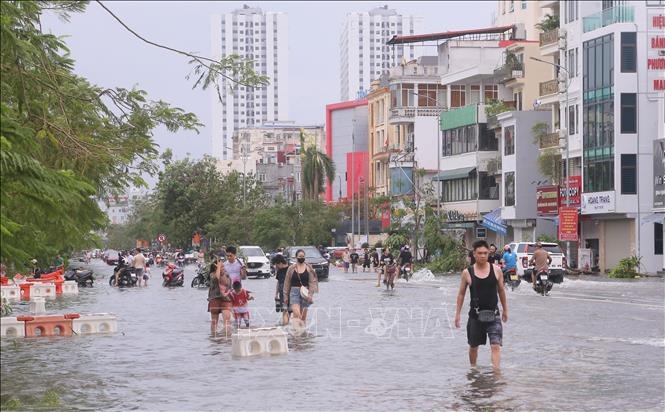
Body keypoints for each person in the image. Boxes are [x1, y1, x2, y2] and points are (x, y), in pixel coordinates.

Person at [454, 240, 508, 370]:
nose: (483, 256)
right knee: (473, 346)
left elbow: (501, 290)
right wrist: (457, 314)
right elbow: (461, 293)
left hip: (493, 314)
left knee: (495, 345)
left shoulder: (496, 271)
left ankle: (496, 373)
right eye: (480, 253)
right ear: (474, 254)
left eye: (485, 253)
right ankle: (473, 370)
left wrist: (505, 310)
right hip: (475, 316)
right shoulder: (467, 272)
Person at [283, 249, 319, 329]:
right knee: (296, 313)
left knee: (303, 317)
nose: (301, 258)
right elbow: (287, 282)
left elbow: (311, 283)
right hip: (294, 292)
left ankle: (301, 336)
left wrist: (310, 295)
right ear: (296, 257)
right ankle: (297, 332)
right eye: (300, 256)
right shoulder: (291, 268)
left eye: (303, 256)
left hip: (305, 293)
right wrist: (285, 296)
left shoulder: (309, 268)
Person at [208, 257, 233, 336]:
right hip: (215, 299)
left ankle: (227, 337)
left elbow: (229, 287)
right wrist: (218, 268)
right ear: (215, 267)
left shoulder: (227, 275)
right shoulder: (212, 275)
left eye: (222, 266)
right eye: (221, 266)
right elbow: (216, 278)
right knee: (214, 321)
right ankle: (214, 336)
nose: (223, 268)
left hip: (226, 299)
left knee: (227, 319)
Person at [272, 254, 291, 326]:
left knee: (289, 311)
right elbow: (278, 282)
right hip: (281, 293)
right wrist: (276, 294)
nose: (276, 267)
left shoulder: (290, 269)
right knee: (284, 310)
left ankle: (285, 326)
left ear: (280, 263)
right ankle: (286, 326)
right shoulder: (279, 271)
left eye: (276, 265)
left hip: (289, 293)